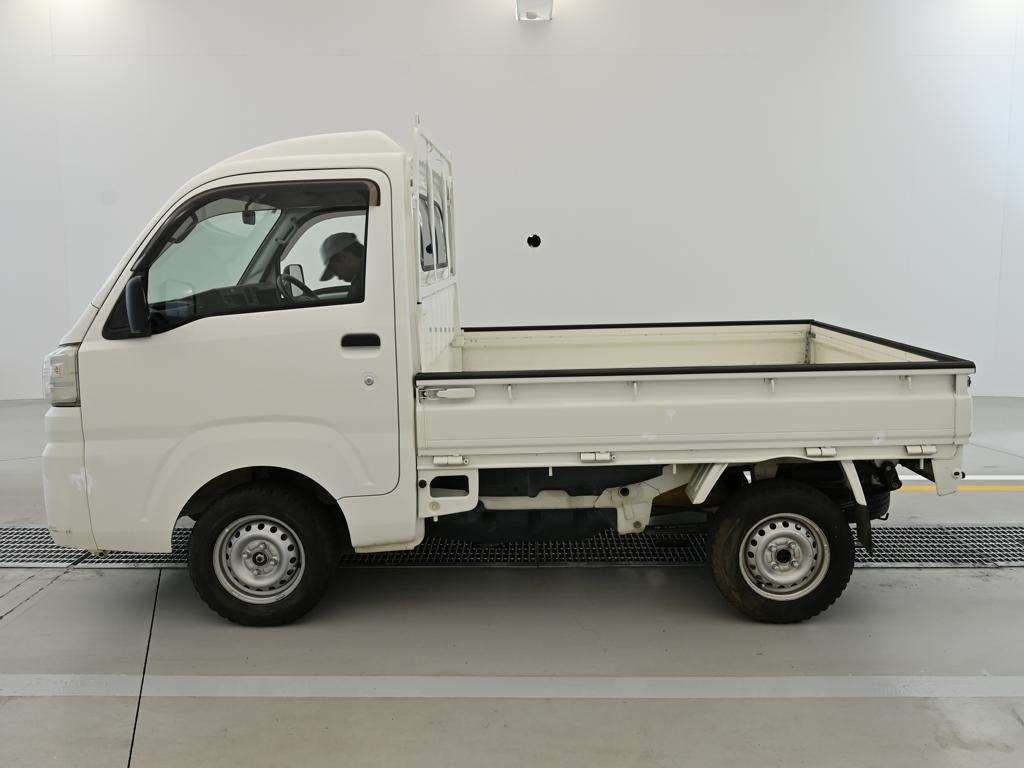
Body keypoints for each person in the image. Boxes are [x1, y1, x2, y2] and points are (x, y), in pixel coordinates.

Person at [319, 232, 366, 301]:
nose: (339, 278)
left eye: (335, 270)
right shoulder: (367, 276)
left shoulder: (360, 288)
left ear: (344, 257)